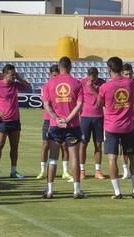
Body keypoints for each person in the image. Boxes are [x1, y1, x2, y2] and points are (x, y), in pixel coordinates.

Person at [96, 57, 134, 199]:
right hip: (128, 126)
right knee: (133, 158)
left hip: (111, 127)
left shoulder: (105, 87)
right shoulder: (130, 84)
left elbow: (99, 104)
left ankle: (117, 191)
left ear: (109, 69)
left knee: (112, 158)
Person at [41, 57, 85, 199]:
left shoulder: (50, 83)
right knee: (74, 157)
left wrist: (56, 118)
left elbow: (46, 105)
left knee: (53, 157)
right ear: (70, 67)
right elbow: (79, 105)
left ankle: (49, 190)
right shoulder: (77, 83)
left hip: (55, 125)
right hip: (72, 125)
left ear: (59, 67)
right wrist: (67, 119)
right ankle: (76, 190)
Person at [0, 64, 31, 179]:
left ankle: (13, 171)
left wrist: (19, 77)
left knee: (14, 147)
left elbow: (28, 87)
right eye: (12, 75)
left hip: (15, 120)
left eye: (14, 74)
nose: (13, 77)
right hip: (3, 122)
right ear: (4, 75)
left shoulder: (15, 85)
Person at [36, 65, 71, 180]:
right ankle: (42, 170)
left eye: (58, 75)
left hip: (62, 119)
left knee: (64, 146)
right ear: (50, 75)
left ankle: (65, 171)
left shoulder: (63, 87)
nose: (56, 77)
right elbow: (47, 104)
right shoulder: (46, 87)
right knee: (45, 145)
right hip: (48, 120)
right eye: (54, 75)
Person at [79, 67, 106, 180]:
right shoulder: (81, 83)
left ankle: (98, 171)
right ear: (88, 74)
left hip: (99, 117)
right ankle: (82, 170)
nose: (92, 77)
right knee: (83, 144)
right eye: (90, 74)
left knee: (98, 144)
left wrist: (93, 89)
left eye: (94, 75)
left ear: (97, 75)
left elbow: (103, 101)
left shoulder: (103, 84)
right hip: (85, 117)